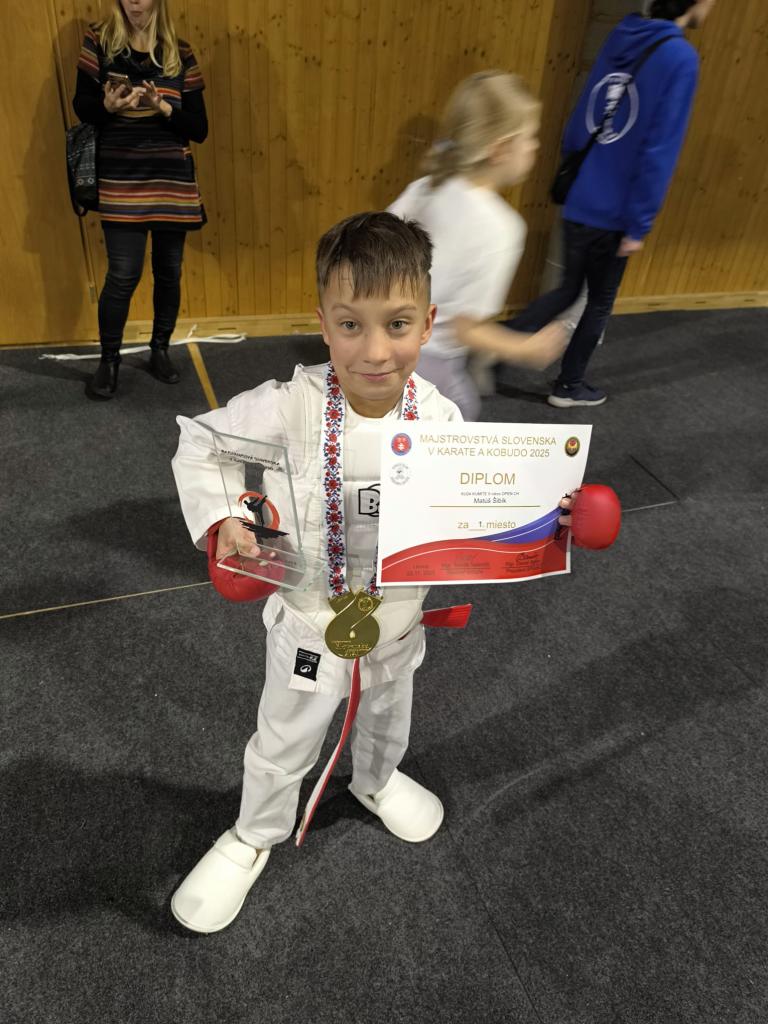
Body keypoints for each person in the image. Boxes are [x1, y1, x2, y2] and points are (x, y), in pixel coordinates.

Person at [170, 211, 575, 933]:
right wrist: (224, 516)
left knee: (391, 712)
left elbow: (476, 502)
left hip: (399, 614)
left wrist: (548, 512)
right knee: (286, 733)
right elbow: (199, 444)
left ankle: (377, 781)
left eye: (398, 324)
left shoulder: (440, 420)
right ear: (323, 325)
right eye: (351, 325)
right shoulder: (288, 405)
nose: (376, 350)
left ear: (428, 324)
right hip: (308, 616)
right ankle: (253, 833)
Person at [504, 0, 716, 408]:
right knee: (599, 302)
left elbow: (584, 112)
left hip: (581, 193)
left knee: (568, 289)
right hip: (617, 211)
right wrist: (639, 224)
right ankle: (568, 386)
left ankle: (493, 350)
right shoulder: (680, 57)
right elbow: (660, 150)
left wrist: (578, 167)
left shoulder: (622, 33)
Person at [387, 71, 569, 421]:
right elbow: (464, 328)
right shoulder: (500, 228)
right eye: (530, 136)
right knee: (461, 415)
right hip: (424, 359)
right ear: (500, 149)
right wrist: (524, 348)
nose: (536, 145)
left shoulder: (425, 186)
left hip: (374, 344)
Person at [73, 0, 208, 400]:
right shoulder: (99, 41)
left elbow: (199, 128)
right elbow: (82, 106)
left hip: (171, 180)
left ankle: (159, 350)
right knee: (123, 275)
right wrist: (107, 106)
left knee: (168, 272)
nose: (134, 1)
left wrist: (161, 106)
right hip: (121, 177)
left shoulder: (180, 51)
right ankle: (109, 360)